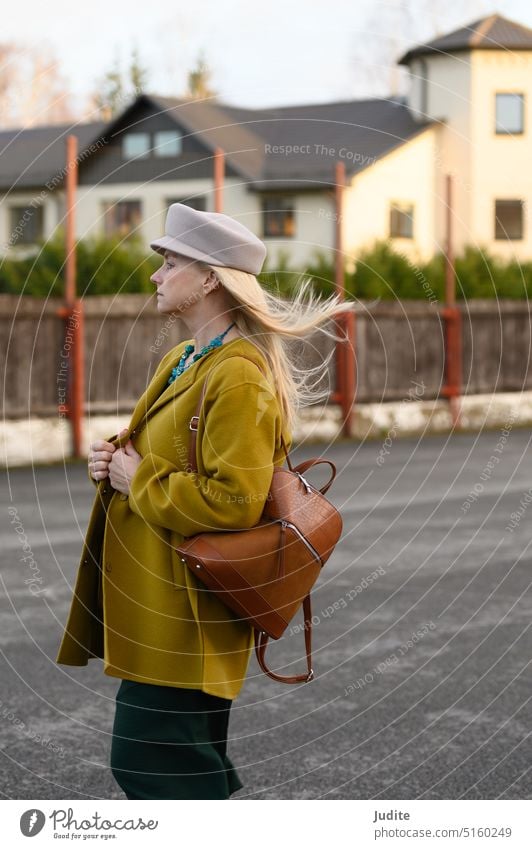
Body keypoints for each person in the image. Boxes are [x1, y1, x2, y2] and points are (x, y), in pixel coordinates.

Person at [55, 202, 355, 800]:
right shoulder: (185, 360)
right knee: (179, 768)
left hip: (187, 616)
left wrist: (136, 478)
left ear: (211, 278)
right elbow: (159, 460)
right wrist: (112, 461)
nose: (155, 275)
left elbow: (236, 502)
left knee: (153, 768)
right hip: (160, 607)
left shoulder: (238, 374)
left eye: (169, 262)